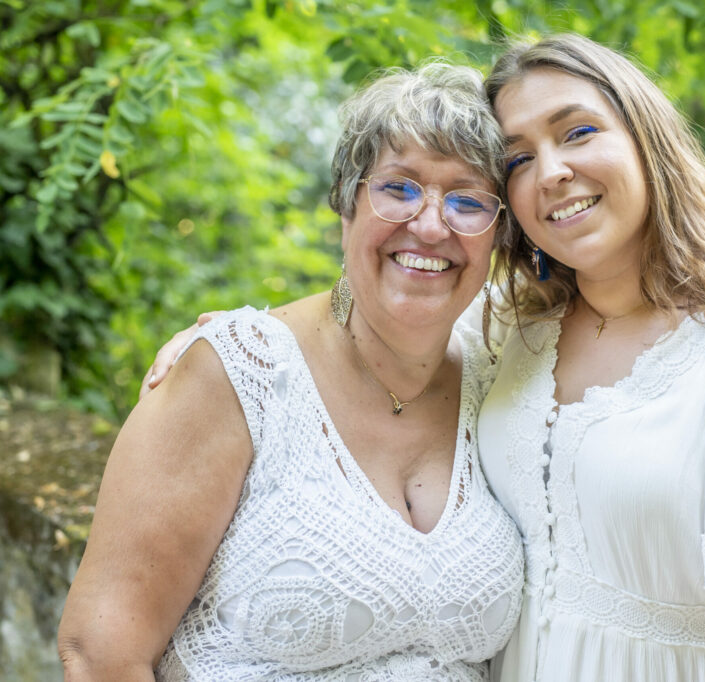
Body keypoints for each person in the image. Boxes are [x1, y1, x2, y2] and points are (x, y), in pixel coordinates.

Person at [143, 34, 705, 681]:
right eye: (516, 160)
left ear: (647, 141)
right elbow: (375, 309)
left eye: (577, 133)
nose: (551, 172)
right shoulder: (510, 334)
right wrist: (240, 337)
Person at [57, 63, 525, 681]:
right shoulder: (237, 374)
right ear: (346, 204)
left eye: (468, 201)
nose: (431, 225)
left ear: (497, 237)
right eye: (399, 188)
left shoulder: (505, 366)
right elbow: (100, 655)